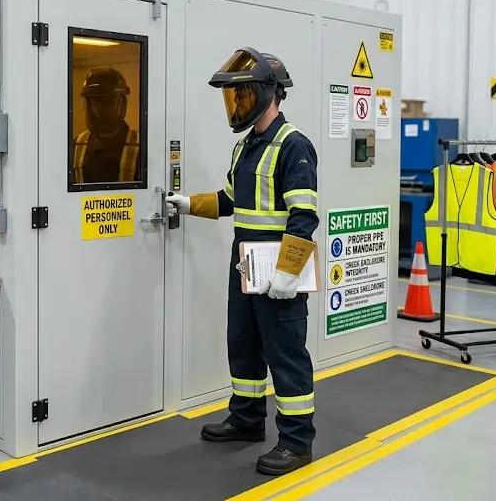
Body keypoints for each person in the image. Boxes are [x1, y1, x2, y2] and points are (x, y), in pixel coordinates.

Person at [166, 47, 319, 476]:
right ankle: (248, 420)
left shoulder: (294, 147)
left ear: (270, 93)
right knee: (244, 345)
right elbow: (231, 200)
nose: (237, 104)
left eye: (244, 94)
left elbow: (304, 216)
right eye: (234, 96)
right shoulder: (246, 147)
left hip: (279, 273)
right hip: (246, 268)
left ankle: (295, 443)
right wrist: (189, 203)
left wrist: (289, 272)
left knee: (285, 355)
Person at [72, 67, 140, 184]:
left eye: (107, 101)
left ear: (121, 103)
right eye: (95, 101)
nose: (100, 108)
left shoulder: (140, 146)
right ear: (88, 104)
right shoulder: (76, 145)